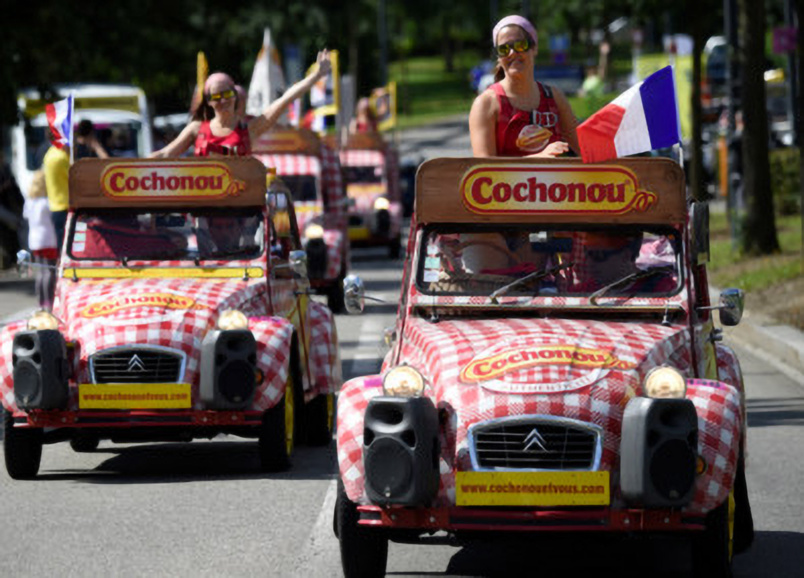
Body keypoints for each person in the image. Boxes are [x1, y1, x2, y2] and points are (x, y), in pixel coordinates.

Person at [151, 50, 332, 158]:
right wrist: (135, 166)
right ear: (209, 101)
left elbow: (285, 99)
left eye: (227, 94)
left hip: (241, 208)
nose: (223, 100)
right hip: (204, 208)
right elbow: (165, 154)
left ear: (235, 96)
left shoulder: (249, 129)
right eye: (216, 96)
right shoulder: (196, 129)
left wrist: (315, 76)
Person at [469, 15, 580, 158]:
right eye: (503, 49)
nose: (512, 53)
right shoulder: (486, 103)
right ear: (498, 57)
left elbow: (585, 147)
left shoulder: (553, 97)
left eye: (520, 45)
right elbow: (484, 168)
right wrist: (539, 158)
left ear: (534, 48)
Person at [22, 170, 57, 309]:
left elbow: (26, 217)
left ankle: (41, 302)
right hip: (48, 239)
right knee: (49, 271)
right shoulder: (46, 202)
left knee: (41, 272)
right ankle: (49, 301)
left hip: (34, 240)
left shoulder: (29, 202)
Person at [42, 134, 70, 251]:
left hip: (55, 206)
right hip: (65, 206)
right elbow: (75, 178)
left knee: (61, 244)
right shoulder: (61, 157)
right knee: (67, 246)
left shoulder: (49, 154)